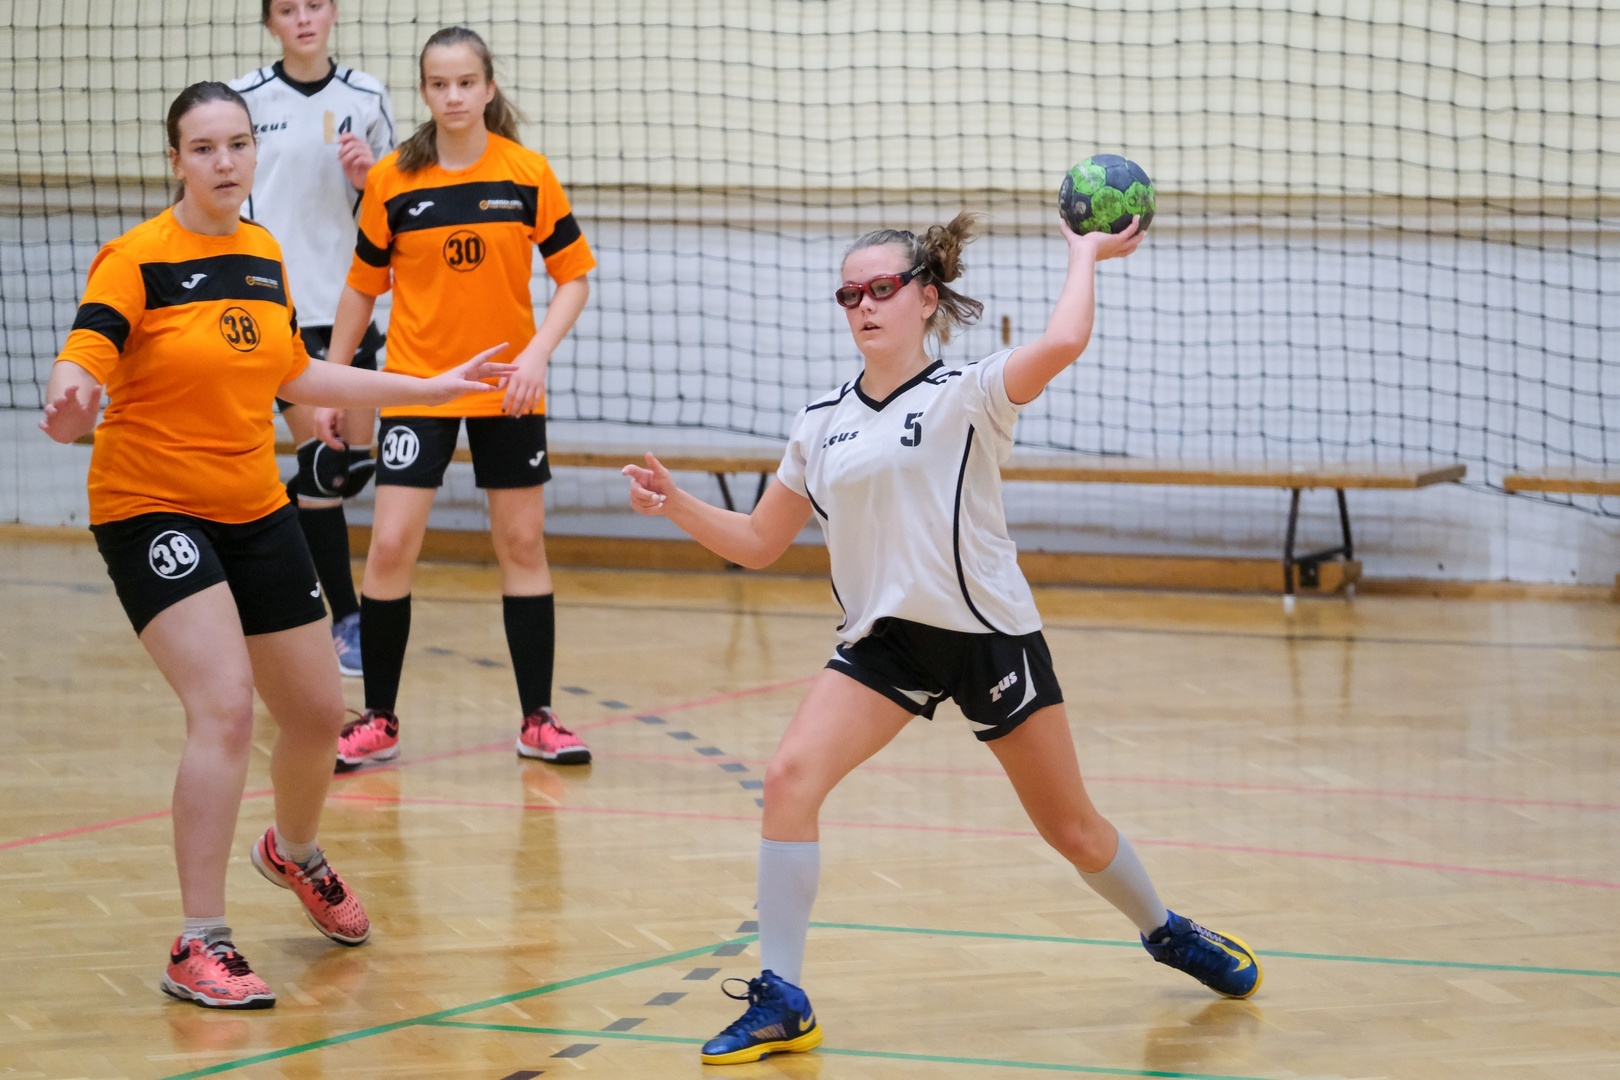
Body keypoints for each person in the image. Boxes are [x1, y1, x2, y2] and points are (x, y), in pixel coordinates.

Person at [622, 212, 1263, 1064]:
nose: (863, 305)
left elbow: (1065, 340)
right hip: (885, 642)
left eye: (882, 288)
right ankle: (782, 999)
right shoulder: (819, 422)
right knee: (787, 781)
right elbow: (759, 543)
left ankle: (1164, 929)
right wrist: (676, 505)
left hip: (987, 636)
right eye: (849, 293)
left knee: (1073, 831)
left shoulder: (969, 393)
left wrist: (1085, 254)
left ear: (926, 298)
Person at [39, 81, 513, 1009]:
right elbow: (85, 353)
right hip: (150, 509)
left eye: (237, 144)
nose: (224, 162)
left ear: (254, 151)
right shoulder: (135, 260)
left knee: (317, 715)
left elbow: (293, 370)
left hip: (255, 505)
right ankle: (199, 940)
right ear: (176, 161)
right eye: (203, 148)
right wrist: (69, 399)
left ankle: (292, 852)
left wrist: (425, 388)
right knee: (223, 706)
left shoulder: (262, 254)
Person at [316, 26, 596, 771]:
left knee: (522, 544)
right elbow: (360, 289)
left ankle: (537, 720)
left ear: (488, 87)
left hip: (509, 391)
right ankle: (379, 720)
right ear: (424, 93)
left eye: (466, 82)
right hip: (416, 388)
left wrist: (536, 354)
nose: (454, 96)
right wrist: (334, 382)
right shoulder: (392, 181)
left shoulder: (527, 173)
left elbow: (574, 278)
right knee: (390, 545)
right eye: (439, 85)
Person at [230, 0, 397, 677]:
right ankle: (343, 617)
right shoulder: (243, 98)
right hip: (276, 308)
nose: (303, 18)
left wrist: (368, 180)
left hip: (349, 304)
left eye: (315, 5)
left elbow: (394, 208)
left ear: (333, 13)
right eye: (287, 8)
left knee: (352, 466)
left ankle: (261, 551)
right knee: (323, 464)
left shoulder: (367, 96)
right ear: (270, 21)